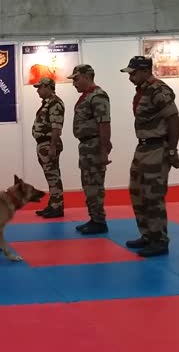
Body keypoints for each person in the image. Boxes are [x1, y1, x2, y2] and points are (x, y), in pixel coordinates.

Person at [121, 56, 179, 257]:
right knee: (137, 192)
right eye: (129, 73)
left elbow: (173, 119)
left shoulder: (159, 90)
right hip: (143, 148)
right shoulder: (142, 90)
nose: (130, 76)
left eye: (133, 72)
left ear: (145, 71)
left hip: (157, 148)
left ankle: (159, 240)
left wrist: (172, 150)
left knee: (153, 195)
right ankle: (147, 234)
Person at [67, 64, 112, 234]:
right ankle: (94, 218)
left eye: (77, 79)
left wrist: (103, 150)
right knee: (88, 184)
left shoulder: (97, 96)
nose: (74, 83)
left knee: (94, 184)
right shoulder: (87, 96)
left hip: (94, 145)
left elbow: (104, 123)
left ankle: (99, 221)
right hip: (87, 145)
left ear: (87, 76)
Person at [31, 77, 65, 218]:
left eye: (40, 87)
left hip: (49, 143)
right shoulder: (48, 103)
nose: (38, 90)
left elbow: (57, 127)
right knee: (50, 176)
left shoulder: (55, 103)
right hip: (43, 144)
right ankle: (53, 205)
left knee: (53, 176)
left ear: (48, 87)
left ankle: (57, 207)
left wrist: (52, 147)